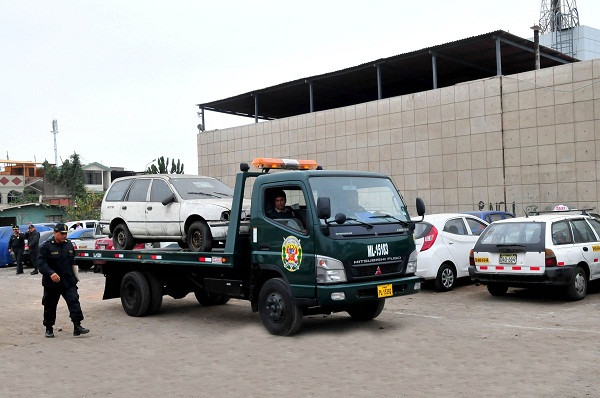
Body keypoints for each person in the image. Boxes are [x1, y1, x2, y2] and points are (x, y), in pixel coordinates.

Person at [37, 223, 90, 338]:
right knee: (50, 305)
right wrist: (51, 273)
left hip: (68, 280)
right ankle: (49, 328)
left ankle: (77, 326)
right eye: (62, 234)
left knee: (74, 301)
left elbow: (72, 261)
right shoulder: (46, 246)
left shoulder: (69, 244)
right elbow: (41, 263)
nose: (64, 236)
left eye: (65, 234)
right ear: (55, 233)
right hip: (52, 282)